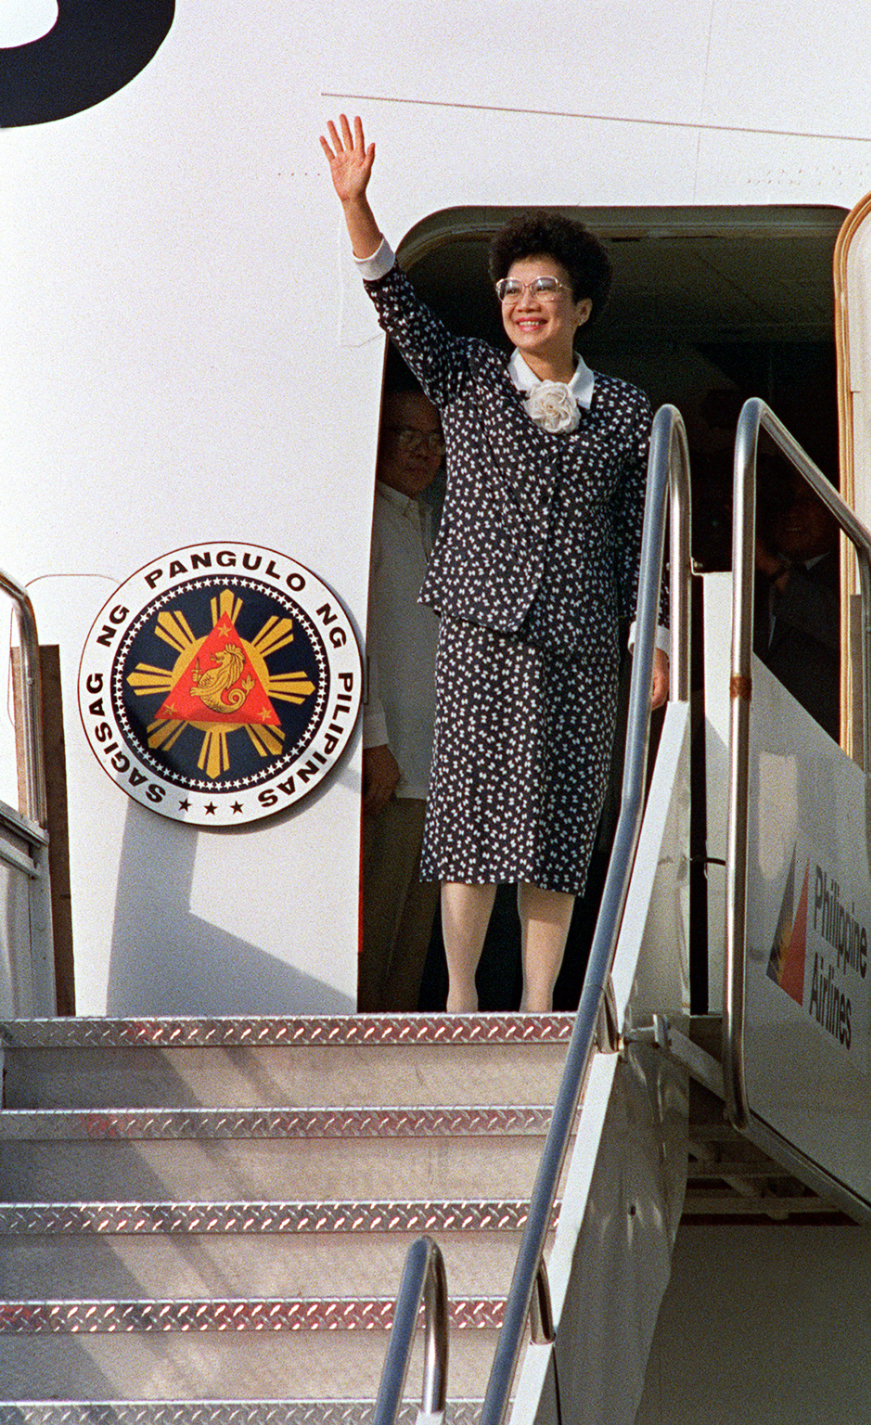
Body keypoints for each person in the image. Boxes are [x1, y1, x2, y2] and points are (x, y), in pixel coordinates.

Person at [322, 115, 669, 1013]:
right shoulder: (471, 376)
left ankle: (541, 1000)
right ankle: (466, 996)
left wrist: (656, 634)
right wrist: (358, 207)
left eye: (544, 288)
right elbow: (393, 299)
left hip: (584, 641)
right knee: (469, 818)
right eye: (511, 288)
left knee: (556, 824)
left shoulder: (629, 411)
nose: (524, 302)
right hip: (479, 628)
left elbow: (644, 540)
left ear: (581, 306)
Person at [360, 384, 444, 1012]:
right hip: (389, 764)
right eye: (407, 434)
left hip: (436, 765)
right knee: (376, 940)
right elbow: (356, 641)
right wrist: (374, 740)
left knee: (413, 951)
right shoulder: (367, 521)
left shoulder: (425, 517)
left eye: (435, 438)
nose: (424, 450)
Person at [754, 471, 840, 739]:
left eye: (808, 499)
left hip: (821, 749)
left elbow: (844, 627)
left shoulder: (851, 572)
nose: (792, 511)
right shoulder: (750, 576)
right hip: (750, 742)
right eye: (785, 500)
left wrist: (776, 570)